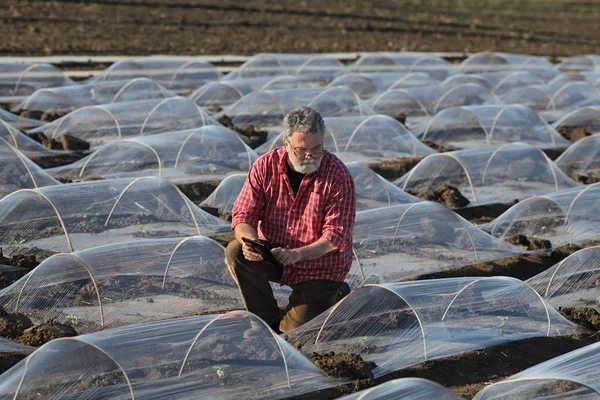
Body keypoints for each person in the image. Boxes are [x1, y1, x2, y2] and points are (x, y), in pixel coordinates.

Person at [225, 106, 356, 333]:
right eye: (301, 150)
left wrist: (297, 255)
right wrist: (250, 241)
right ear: (285, 143)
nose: (309, 155)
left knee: (294, 333)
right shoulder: (265, 166)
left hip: (320, 266)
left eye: (317, 148)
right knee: (236, 251)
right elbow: (243, 214)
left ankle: (333, 294)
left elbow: (336, 236)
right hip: (276, 254)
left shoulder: (337, 175)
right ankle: (265, 321)